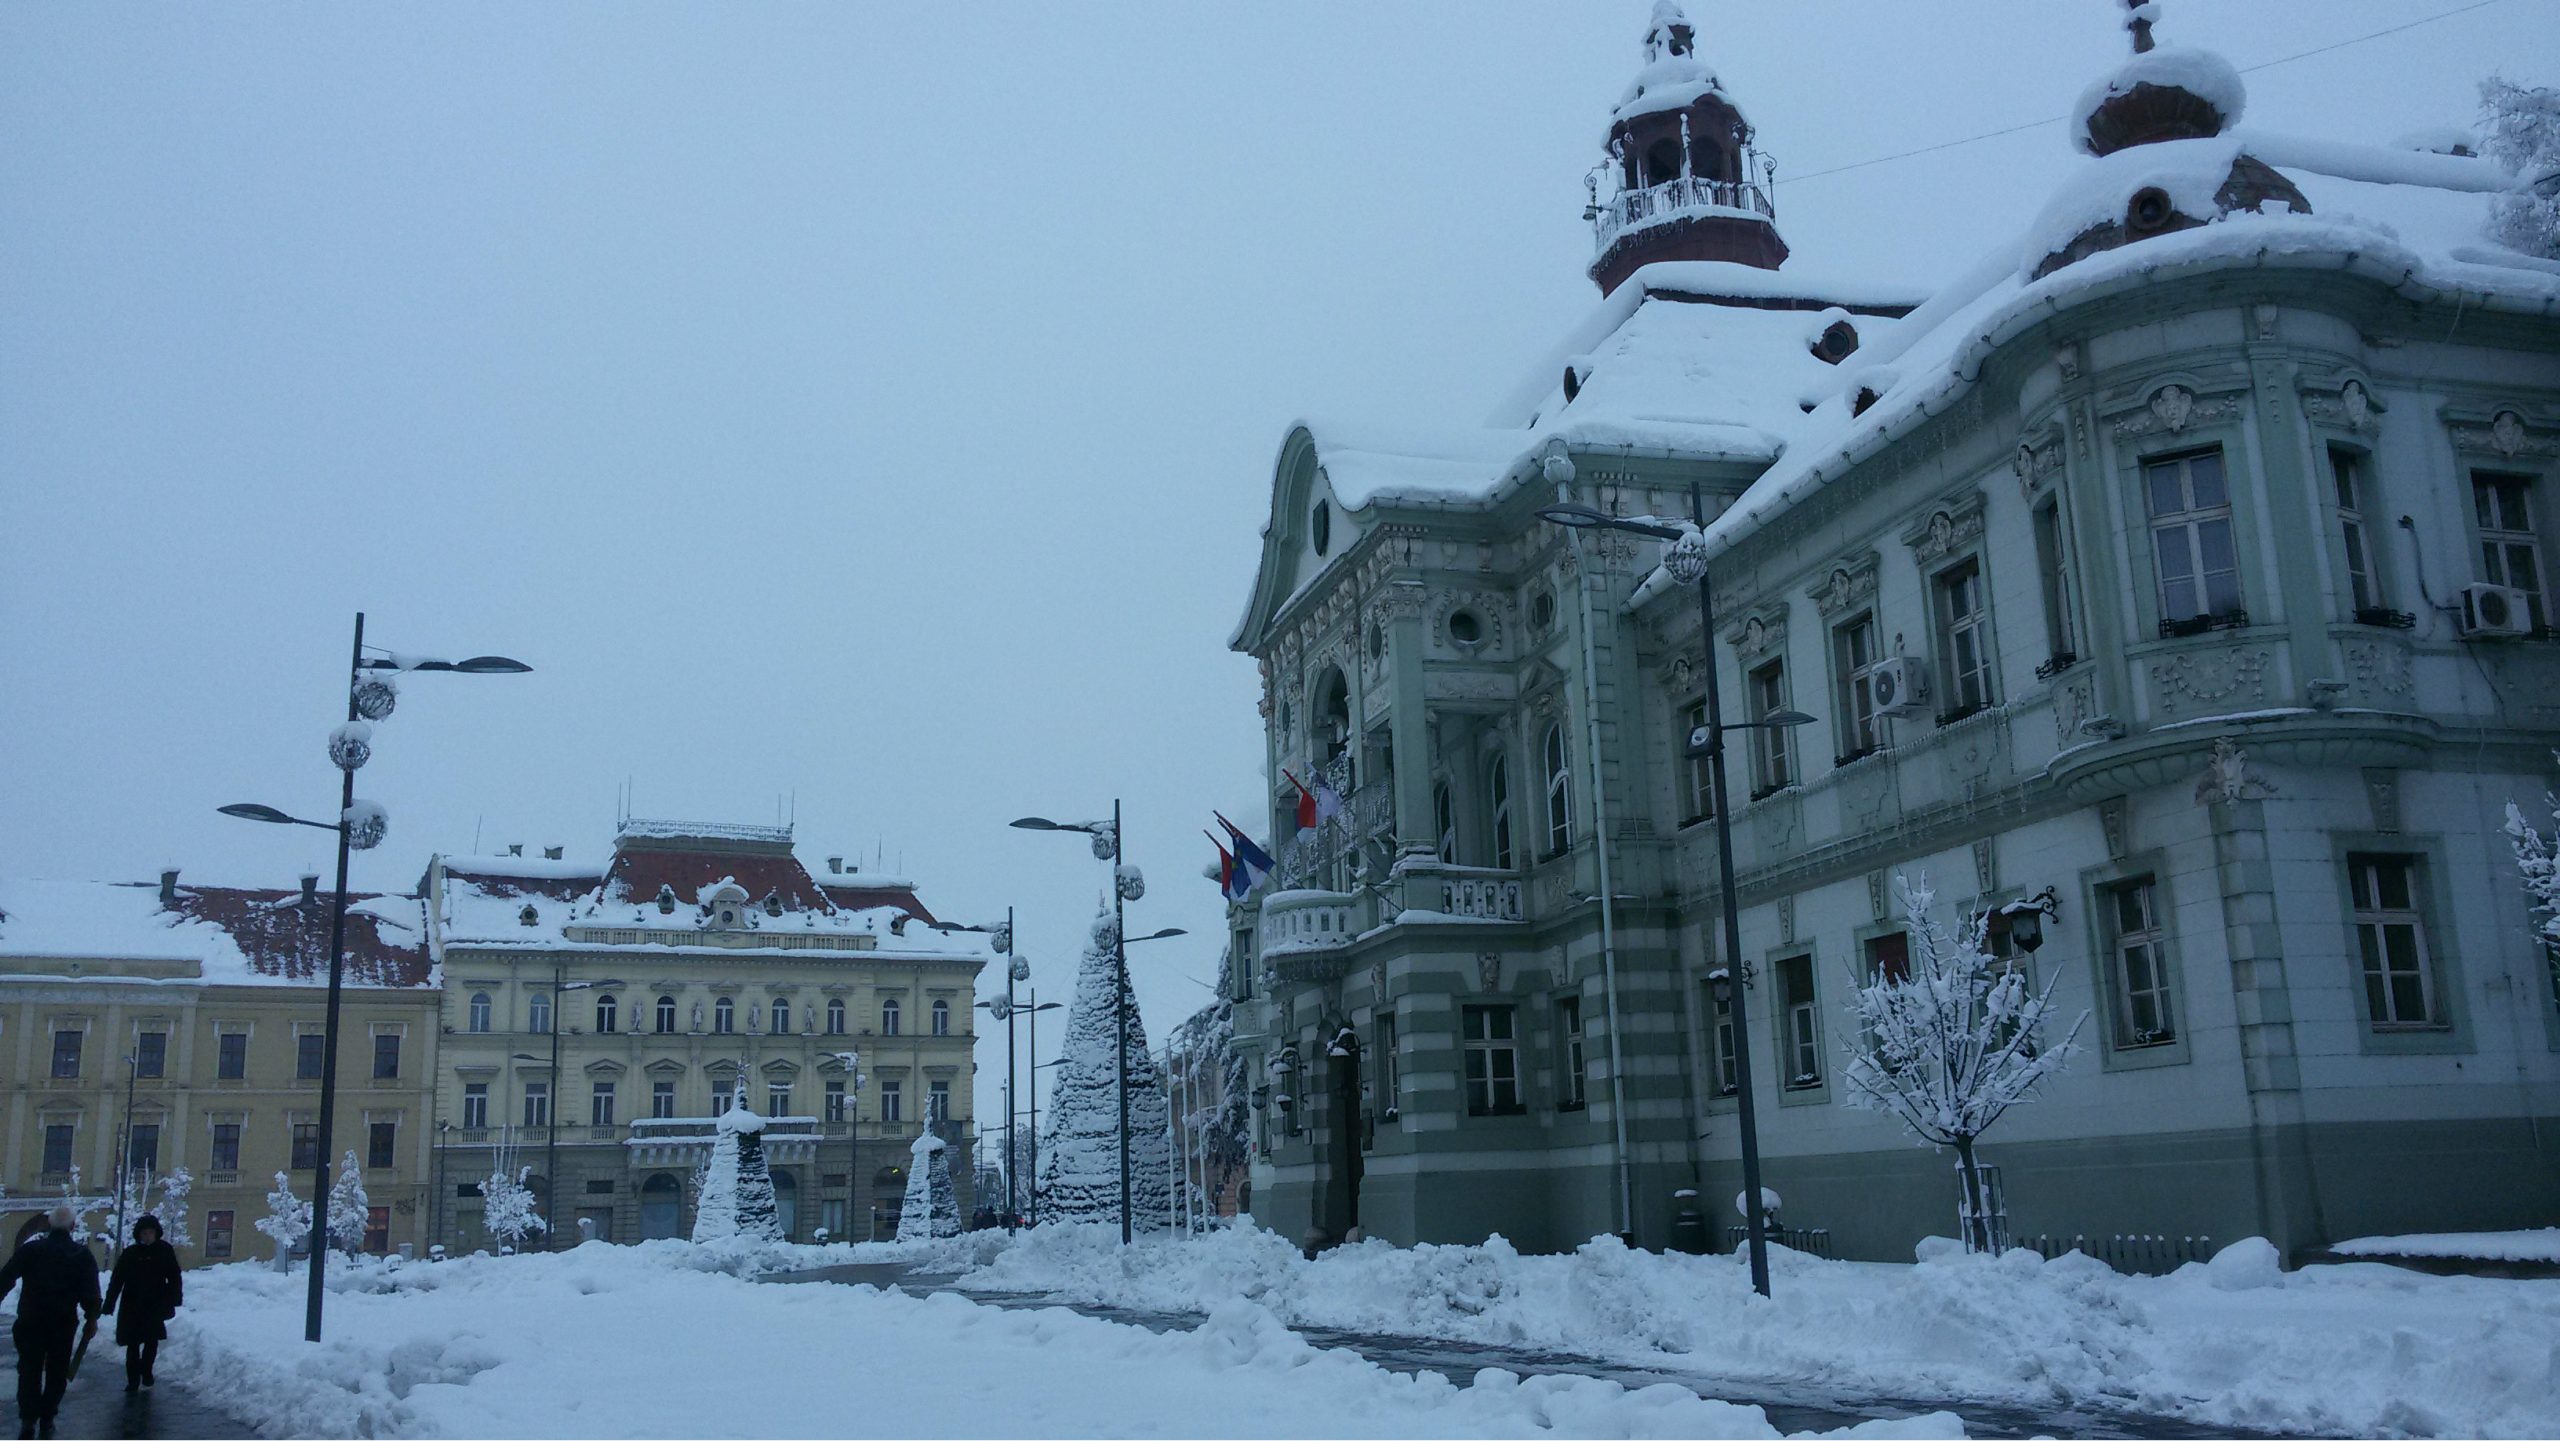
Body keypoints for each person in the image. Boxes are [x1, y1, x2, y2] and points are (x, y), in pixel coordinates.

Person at [0, 1206, 101, 1440]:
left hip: (30, 1321)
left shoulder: (31, 1250)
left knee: (29, 1371)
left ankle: (28, 1420)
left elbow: (6, 1277)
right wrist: (91, 1318)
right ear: (73, 1226)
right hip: (62, 1324)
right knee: (57, 1372)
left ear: (49, 1224)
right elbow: (90, 1292)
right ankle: (47, 1418)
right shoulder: (81, 1255)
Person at [102, 1215, 183, 1394]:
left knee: (151, 1342)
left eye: (150, 1233)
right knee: (133, 1344)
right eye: (144, 1233)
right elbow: (117, 1280)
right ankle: (132, 1380)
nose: (147, 1236)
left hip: (155, 1304)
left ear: (156, 1233)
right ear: (138, 1234)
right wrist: (109, 1303)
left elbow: (174, 1276)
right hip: (132, 1304)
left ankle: (146, 1372)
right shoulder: (130, 1253)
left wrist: (175, 1298)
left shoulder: (164, 1251)